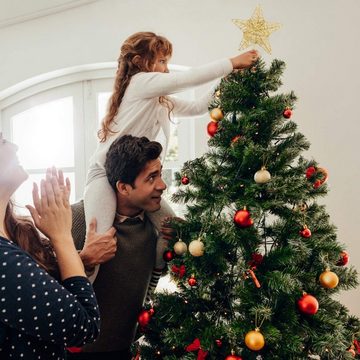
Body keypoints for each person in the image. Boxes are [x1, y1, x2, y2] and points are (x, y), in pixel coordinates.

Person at [84, 31, 259, 280]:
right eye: (162, 61)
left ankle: (152, 284)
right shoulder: (140, 83)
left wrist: (228, 79)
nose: (166, 70)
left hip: (136, 177)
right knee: (99, 242)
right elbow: (185, 80)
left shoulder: (160, 100)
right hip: (105, 174)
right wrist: (231, 62)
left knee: (172, 229)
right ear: (139, 63)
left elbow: (199, 107)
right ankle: (80, 300)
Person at [0, 133, 100, 359]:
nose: (15, 145)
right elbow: (85, 327)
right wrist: (62, 235)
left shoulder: (18, 232)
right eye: (2, 141)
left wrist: (81, 257)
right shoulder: (3, 259)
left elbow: (41, 292)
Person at [68, 134, 166, 360]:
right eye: (152, 178)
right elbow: (49, 281)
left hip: (126, 349)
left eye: (160, 174)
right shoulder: (78, 219)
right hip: (75, 352)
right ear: (123, 187)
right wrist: (85, 259)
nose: (162, 185)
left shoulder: (155, 227)